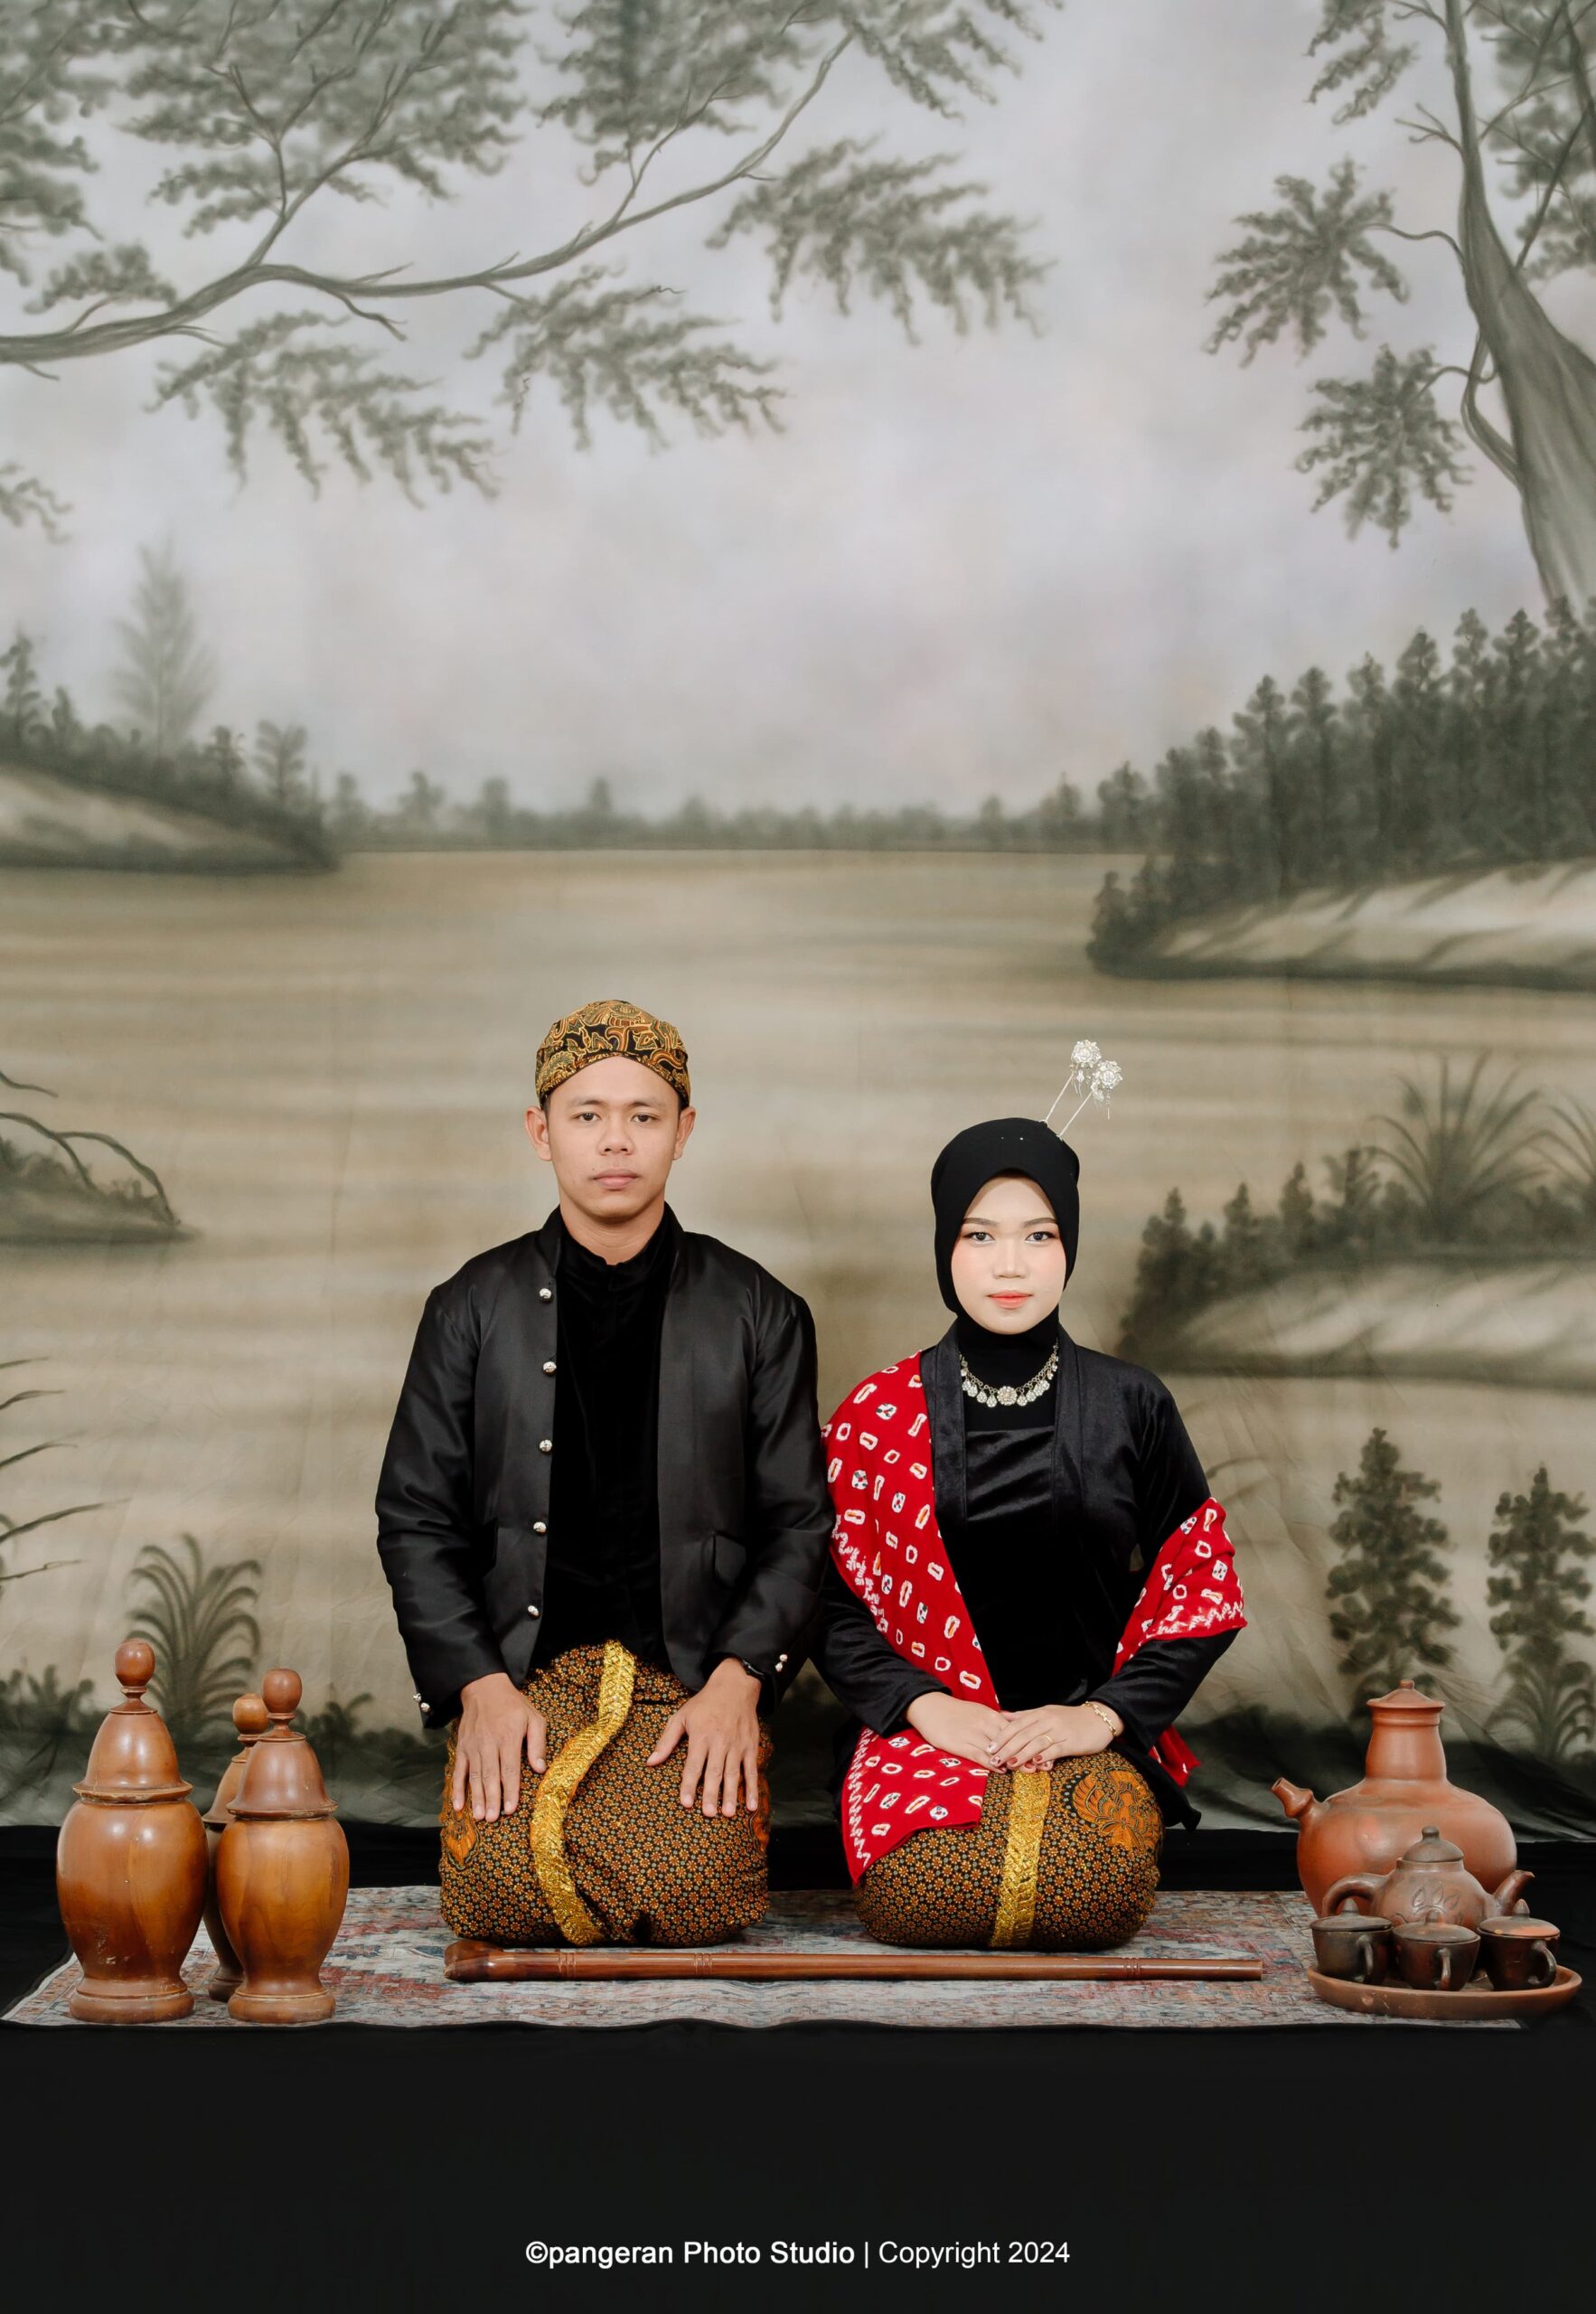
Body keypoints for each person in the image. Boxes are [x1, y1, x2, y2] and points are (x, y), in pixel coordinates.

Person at [375, 997, 832, 1947]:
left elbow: (798, 1523)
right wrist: (477, 1687)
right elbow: (416, 1517)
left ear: (683, 1132)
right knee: (498, 1891)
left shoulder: (760, 1310)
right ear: (540, 1131)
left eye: (643, 1115)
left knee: (699, 1892)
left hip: (691, 1680)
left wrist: (741, 1680)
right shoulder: (468, 1307)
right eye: (586, 1114)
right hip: (523, 1676)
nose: (614, 1140)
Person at [812, 1116, 1246, 1951]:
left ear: (1068, 1246)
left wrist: (1105, 1718)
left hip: (1082, 1730)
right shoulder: (877, 1413)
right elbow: (828, 1601)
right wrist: (924, 1706)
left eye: (1038, 1236)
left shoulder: (1131, 1403)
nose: (1009, 1265)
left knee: (1093, 1894)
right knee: (917, 1896)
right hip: (927, 1734)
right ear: (945, 1247)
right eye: (980, 1236)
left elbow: (1203, 1584)